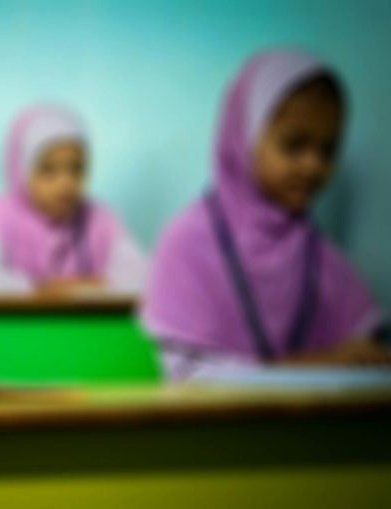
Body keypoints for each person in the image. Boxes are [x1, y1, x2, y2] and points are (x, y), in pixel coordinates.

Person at [143, 50, 390, 380]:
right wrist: (320, 365)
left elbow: (362, 349)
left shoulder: (317, 255)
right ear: (243, 138)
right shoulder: (187, 244)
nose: (313, 165)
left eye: (328, 150)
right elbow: (192, 380)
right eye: (294, 145)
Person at [0, 104, 148, 295]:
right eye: (49, 169)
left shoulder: (100, 217)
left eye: (76, 169)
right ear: (22, 171)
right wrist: (79, 289)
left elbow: (143, 278)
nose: (66, 183)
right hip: (22, 324)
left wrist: (47, 289)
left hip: (86, 325)